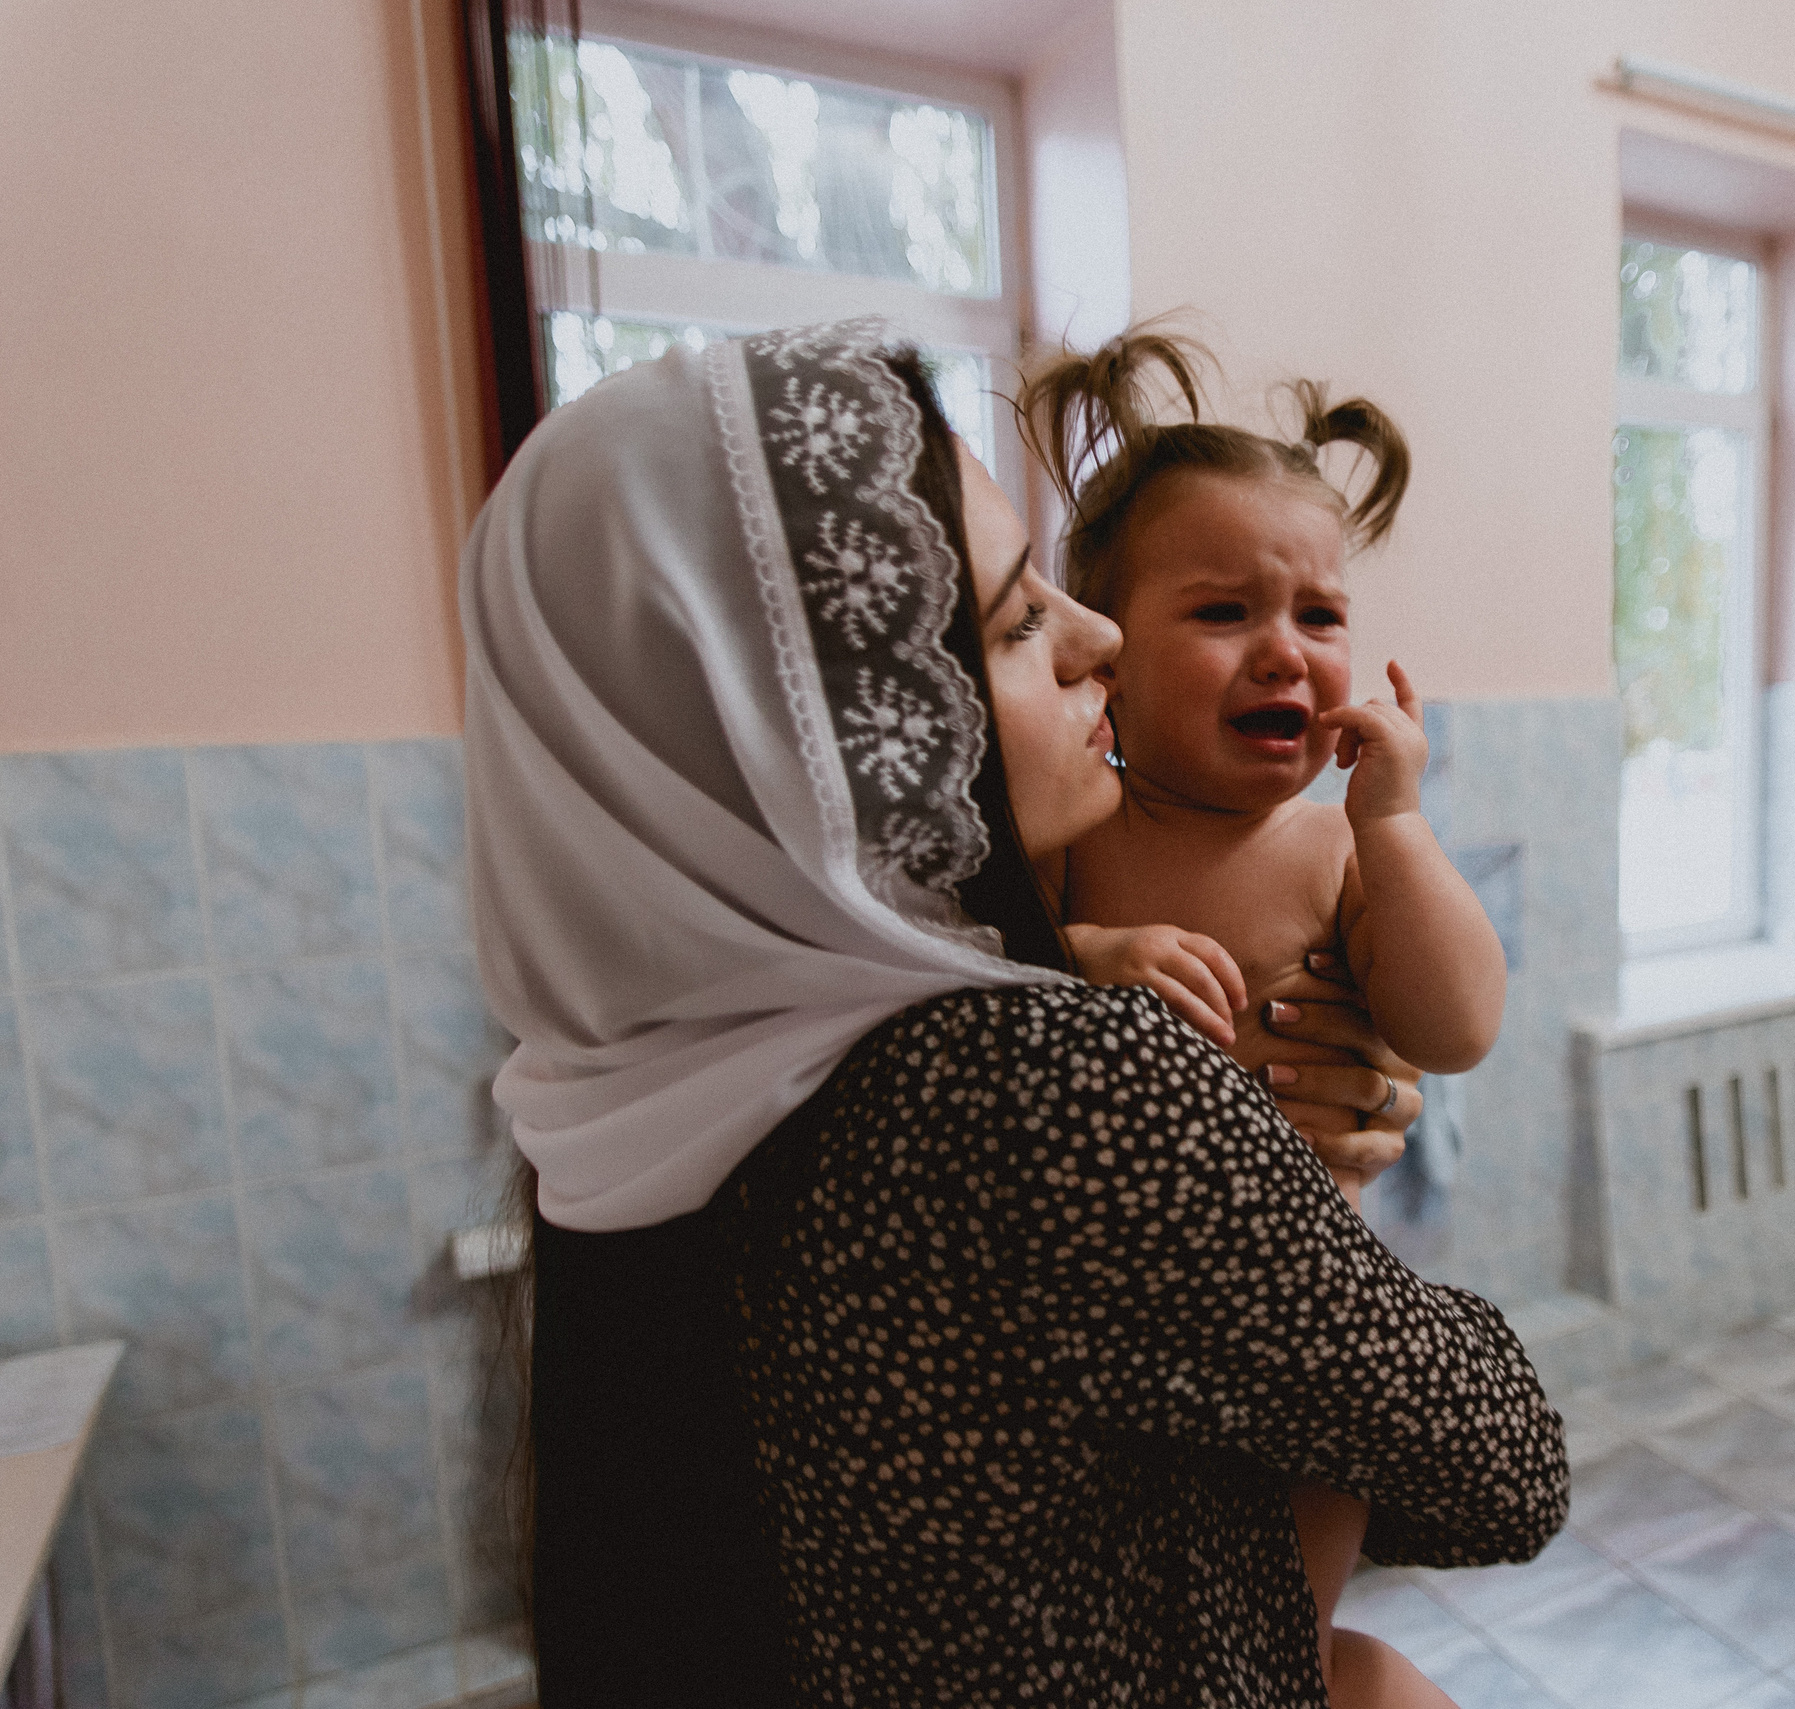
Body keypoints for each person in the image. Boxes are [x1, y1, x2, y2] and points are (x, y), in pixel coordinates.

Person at [460, 317, 1570, 1706]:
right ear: (845, 723)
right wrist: (1262, 1176)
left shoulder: (646, 1103)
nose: (1093, 635)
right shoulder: (1040, 1082)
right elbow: (1504, 1461)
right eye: (1017, 615)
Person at [1016, 332, 1509, 1703]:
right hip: (1103, 1363)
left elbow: (1458, 1022)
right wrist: (1085, 950)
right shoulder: (1072, 834)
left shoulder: (1331, 848)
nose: (1284, 649)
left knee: (1274, 1649)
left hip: (1297, 1343)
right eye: (1225, 612)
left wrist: (1397, 827)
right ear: (1106, 657)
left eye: (1321, 614)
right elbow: (979, 991)